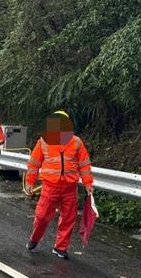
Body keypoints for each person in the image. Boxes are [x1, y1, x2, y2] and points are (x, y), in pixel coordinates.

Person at [25, 110, 94, 259]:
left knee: (69, 218)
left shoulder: (76, 142)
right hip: (50, 186)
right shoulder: (44, 141)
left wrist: (88, 183)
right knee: (42, 216)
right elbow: (34, 163)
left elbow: (84, 165)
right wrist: (30, 181)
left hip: (70, 187)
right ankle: (34, 238)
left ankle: (60, 247)